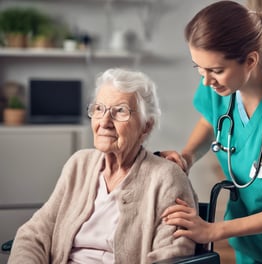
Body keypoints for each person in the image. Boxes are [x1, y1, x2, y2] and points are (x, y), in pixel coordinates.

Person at [160, 1, 262, 263]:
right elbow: (211, 121)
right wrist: (188, 156)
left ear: (250, 60)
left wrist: (214, 230)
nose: (206, 81)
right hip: (250, 240)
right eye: (199, 68)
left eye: (216, 71)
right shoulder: (219, 85)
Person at [8, 68, 198, 264]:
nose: (105, 122)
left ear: (146, 126)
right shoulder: (79, 165)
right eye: (99, 109)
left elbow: (172, 255)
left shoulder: (166, 177)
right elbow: (35, 233)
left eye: (120, 111)